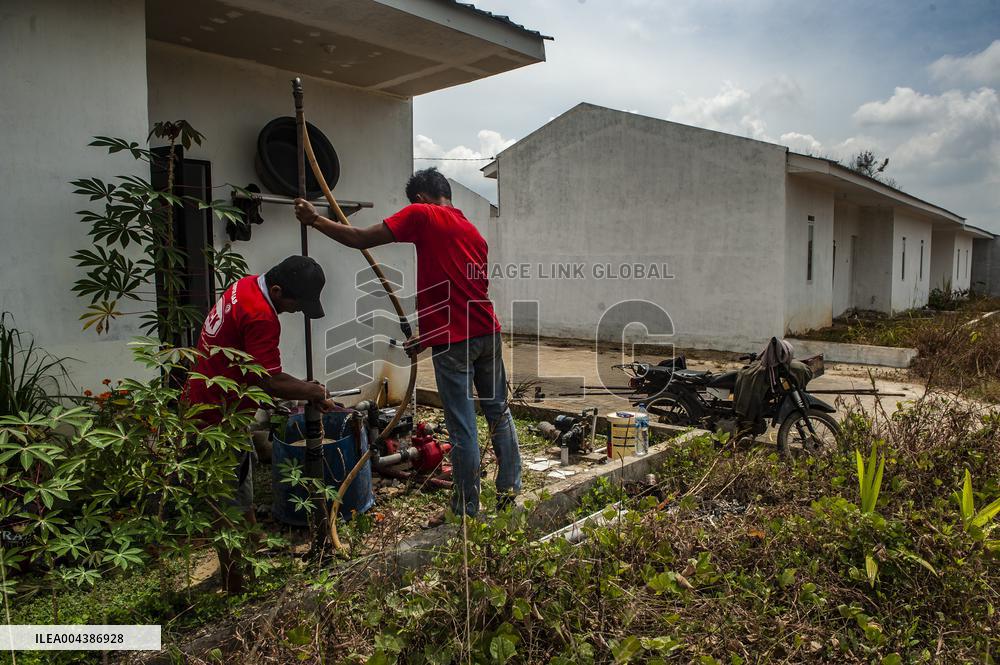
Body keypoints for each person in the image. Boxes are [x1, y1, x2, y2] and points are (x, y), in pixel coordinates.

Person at [294, 168, 521, 517]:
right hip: (487, 333)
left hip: (456, 344)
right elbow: (461, 295)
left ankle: (465, 511)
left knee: (463, 426)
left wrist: (315, 220)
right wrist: (427, 337)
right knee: (498, 413)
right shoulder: (473, 232)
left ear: (419, 198)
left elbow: (359, 238)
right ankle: (509, 492)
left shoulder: (422, 214)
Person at [184, 255, 335, 592]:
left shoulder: (247, 286)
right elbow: (268, 381)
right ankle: (238, 589)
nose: (296, 311)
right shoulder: (261, 314)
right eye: (295, 304)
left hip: (206, 404)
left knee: (240, 494)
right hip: (217, 417)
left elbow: (265, 374)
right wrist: (312, 390)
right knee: (231, 504)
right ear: (278, 290)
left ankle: (251, 561)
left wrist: (309, 391)